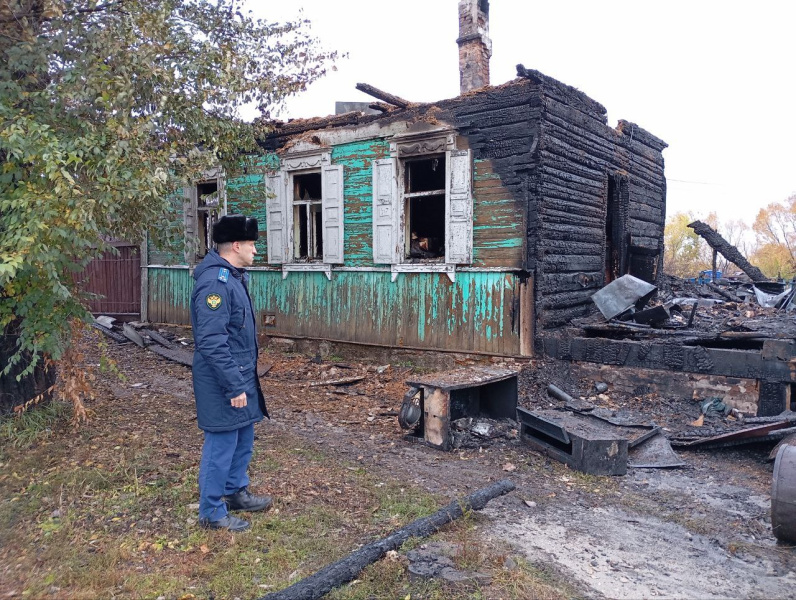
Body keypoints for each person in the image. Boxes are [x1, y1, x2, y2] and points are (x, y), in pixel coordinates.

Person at [190, 214, 271, 532]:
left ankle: (235, 492)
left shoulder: (234, 277)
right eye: (251, 245)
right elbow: (211, 343)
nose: (255, 251)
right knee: (222, 442)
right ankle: (211, 511)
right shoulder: (216, 283)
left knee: (243, 437)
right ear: (235, 245)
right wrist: (234, 385)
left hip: (239, 374)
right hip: (222, 379)